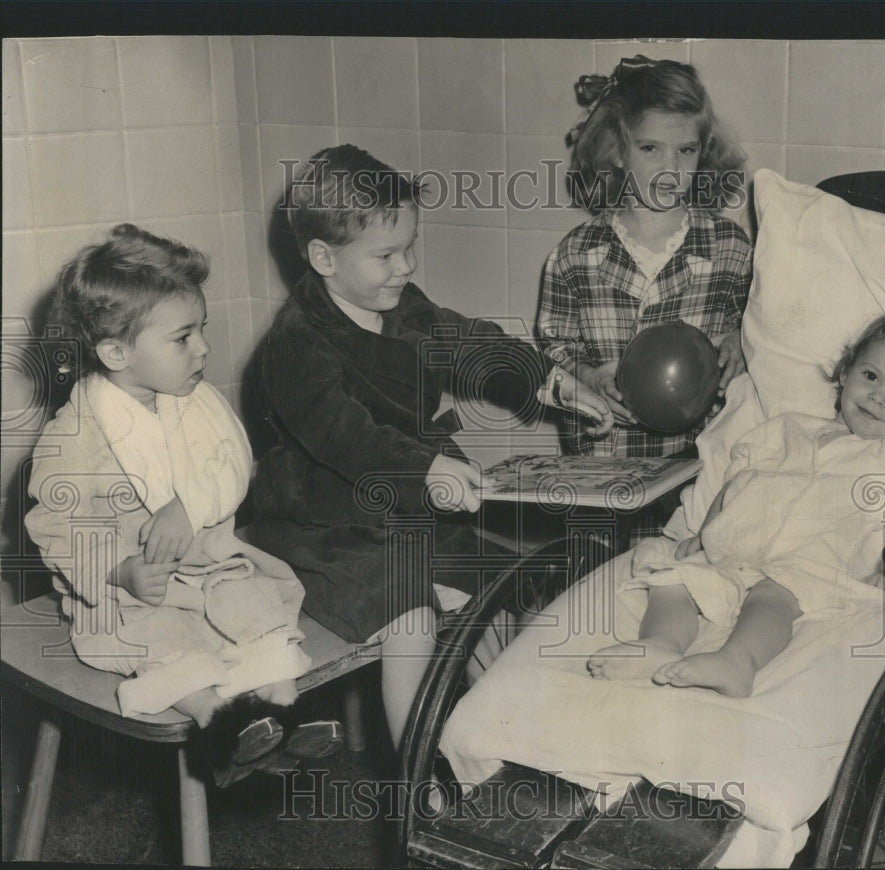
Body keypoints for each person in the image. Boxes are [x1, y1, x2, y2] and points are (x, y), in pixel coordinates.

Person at [247, 144, 612, 748]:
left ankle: (501, 745)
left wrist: (549, 379)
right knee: (409, 612)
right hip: (328, 522)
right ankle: (416, 779)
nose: (406, 266)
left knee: (497, 581)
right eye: (387, 254)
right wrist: (427, 467)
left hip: (411, 503)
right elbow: (347, 437)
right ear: (323, 258)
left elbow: (470, 341)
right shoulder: (294, 344)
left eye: (410, 247)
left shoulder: (402, 306)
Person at [25, 225, 341, 787]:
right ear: (116, 352)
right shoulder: (76, 436)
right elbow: (55, 525)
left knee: (256, 608)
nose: (204, 349)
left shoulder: (193, 401)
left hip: (210, 568)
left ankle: (285, 708)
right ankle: (219, 725)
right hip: (132, 594)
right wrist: (120, 571)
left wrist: (188, 508)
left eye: (202, 330)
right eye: (183, 337)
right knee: (170, 643)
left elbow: (231, 462)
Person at [587, 310, 885, 696]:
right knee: (672, 575)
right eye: (871, 376)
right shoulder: (789, 427)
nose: (878, 397)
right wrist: (704, 535)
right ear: (845, 372)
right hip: (736, 546)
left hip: (810, 560)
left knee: (773, 595)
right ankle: (660, 644)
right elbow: (737, 479)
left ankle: (738, 661)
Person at [539, 55, 752, 471]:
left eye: (686, 150)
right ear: (617, 151)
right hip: (603, 463)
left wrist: (741, 342)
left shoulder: (730, 246)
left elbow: (755, 325)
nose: (670, 169)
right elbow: (556, 348)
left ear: (703, 152)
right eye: (651, 149)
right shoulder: (575, 255)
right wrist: (589, 375)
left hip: (702, 463)